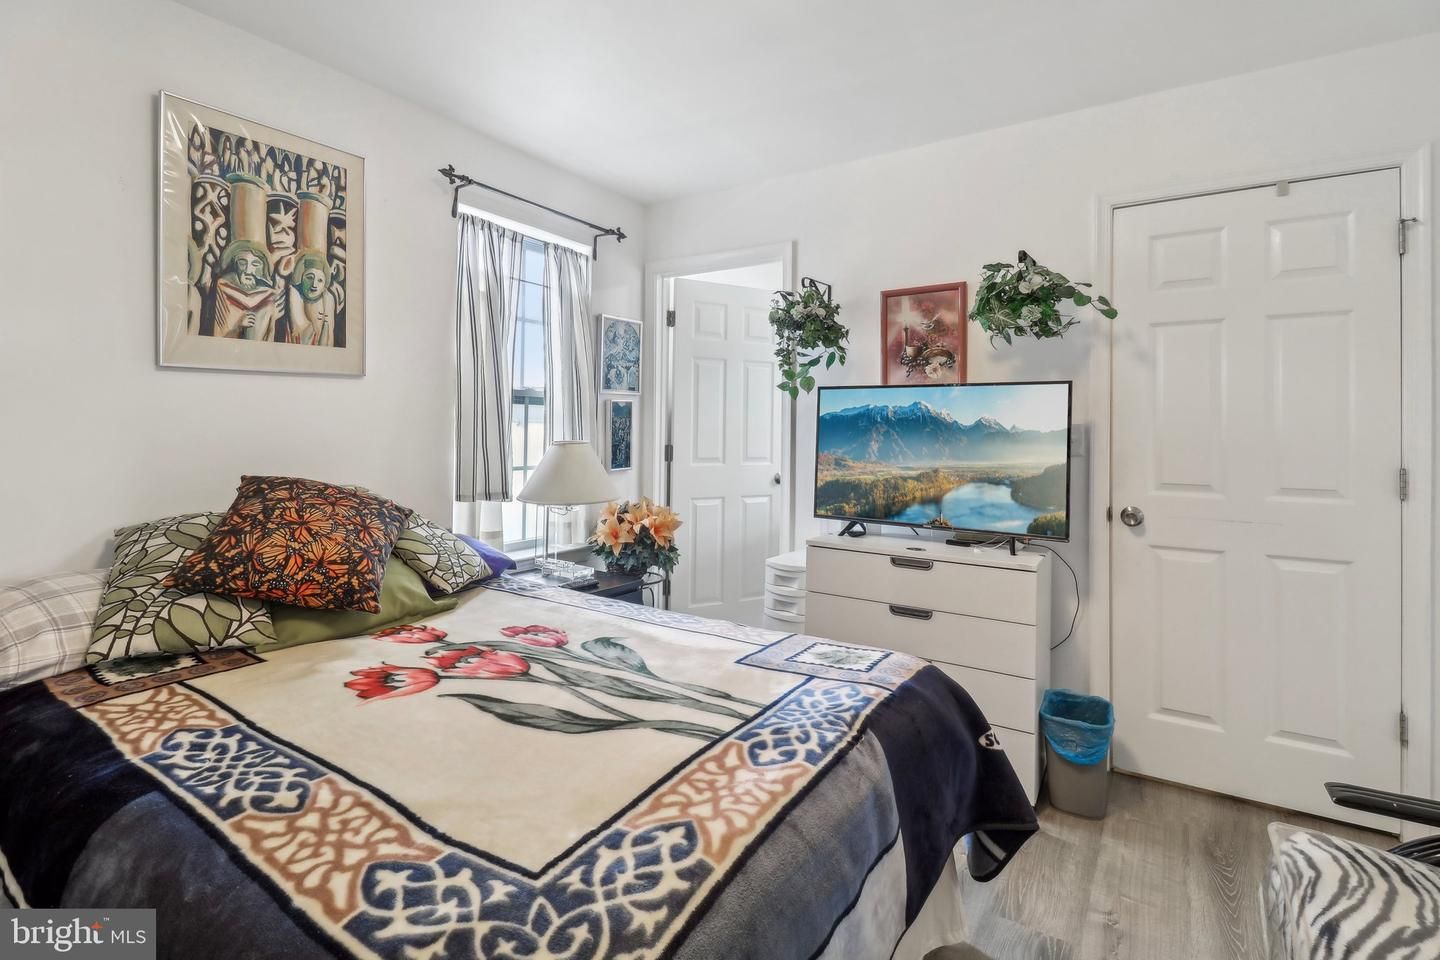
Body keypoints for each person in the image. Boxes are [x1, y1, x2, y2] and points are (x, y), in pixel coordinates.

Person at [207, 239, 280, 340]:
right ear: (235, 264)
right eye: (242, 262)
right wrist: (238, 325)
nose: (248, 271)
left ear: (263, 268)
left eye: (255, 264)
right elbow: (218, 333)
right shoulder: (223, 288)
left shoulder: (270, 295)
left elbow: (270, 334)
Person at [285, 251, 336, 346]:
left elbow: (329, 337)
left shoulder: (327, 299)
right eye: (309, 277)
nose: (314, 285)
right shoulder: (295, 294)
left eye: (320, 280)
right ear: (301, 277)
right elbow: (300, 331)